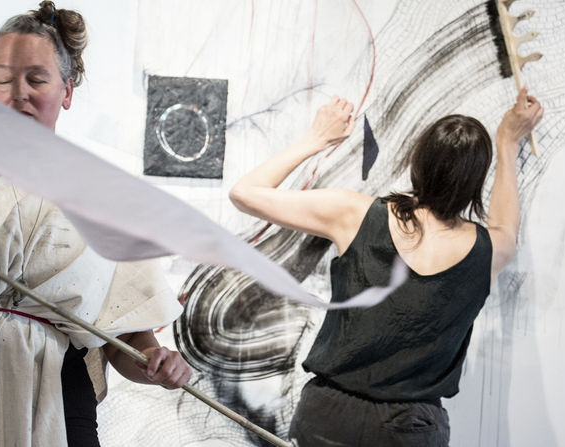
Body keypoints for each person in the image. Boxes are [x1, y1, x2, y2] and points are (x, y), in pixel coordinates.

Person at [0, 2, 191, 446]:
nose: (19, 94)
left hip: (60, 395)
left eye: (36, 80)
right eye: (4, 79)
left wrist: (157, 362)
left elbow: (126, 339)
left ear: (67, 91)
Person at [229, 90, 543, 446]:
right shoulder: (491, 249)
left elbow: (245, 193)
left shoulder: (355, 214)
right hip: (410, 429)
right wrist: (507, 141)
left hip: (329, 416)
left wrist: (317, 138)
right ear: (475, 181)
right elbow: (506, 225)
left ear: (418, 162)